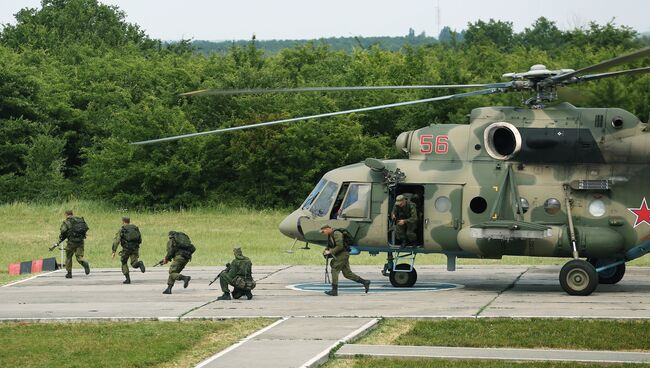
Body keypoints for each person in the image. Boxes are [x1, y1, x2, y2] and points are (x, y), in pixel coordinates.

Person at [321, 225, 370, 296]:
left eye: (323, 231)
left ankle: (334, 290)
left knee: (335, 269)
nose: (323, 233)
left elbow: (340, 246)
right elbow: (330, 245)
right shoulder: (330, 235)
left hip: (343, 254)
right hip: (342, 254)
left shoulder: (336, 233)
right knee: (347, 274)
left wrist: (331, 252)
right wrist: (326, 251)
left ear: (328, 229)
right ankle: (365, 282)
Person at [111, 217, 145, 284]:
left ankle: (128, 279)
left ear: (123, 221)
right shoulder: (135, 228)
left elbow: (116, 241)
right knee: (134, 263)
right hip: (135, 248)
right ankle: (139, 263)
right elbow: (140, 240)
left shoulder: (122, 229)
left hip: (126, 249)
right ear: (129, 221)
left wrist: (113, 251)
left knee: (124, 262)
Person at [57, 210, 90, 279]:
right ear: (72, 214)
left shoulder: (67, 222)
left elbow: (63, 231)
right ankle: (84, 262)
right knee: (79, 256)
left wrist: (62, 237)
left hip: (71, 242)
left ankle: (69, 273)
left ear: (66, 214)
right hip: (80, 241)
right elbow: (86, 228)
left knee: (69, 257)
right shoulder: (79, 220)